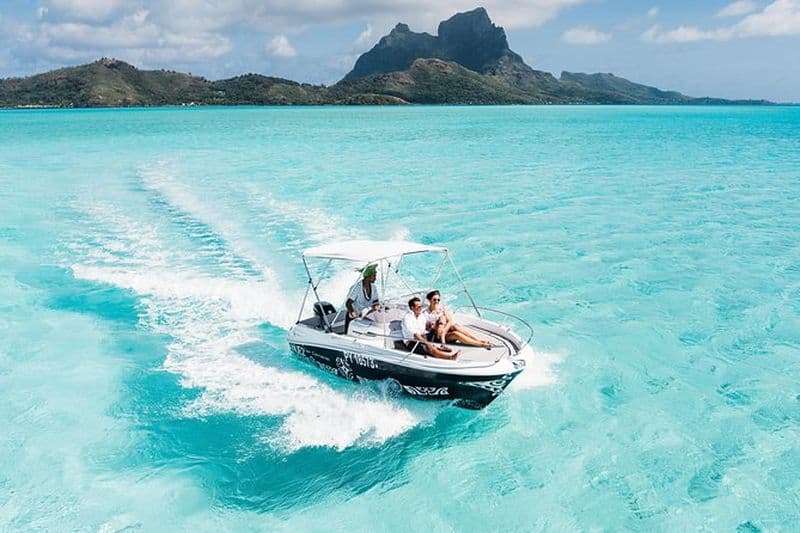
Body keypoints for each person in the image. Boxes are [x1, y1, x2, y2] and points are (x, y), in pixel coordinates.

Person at [425, 290, 492, 348]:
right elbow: (426, 328)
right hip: (438, 335)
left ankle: (477, 340)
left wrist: (444, 331)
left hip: (445, 331)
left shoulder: (441, 308)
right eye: (434, 299)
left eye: (438, 300)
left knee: (455, 326)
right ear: (430, 300)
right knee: (455, 334)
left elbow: (450, 320)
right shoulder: (426, 313)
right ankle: (480, 344)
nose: (437, 301)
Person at [344, 263, 381, 333]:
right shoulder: (356, 287)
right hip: (353, 317)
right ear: (368, 277)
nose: (375, 278)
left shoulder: (373, 287)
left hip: (366, 317)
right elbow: (348, 303)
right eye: (374, 276)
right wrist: (354, 314)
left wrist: (376, 306)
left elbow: (376, 301)